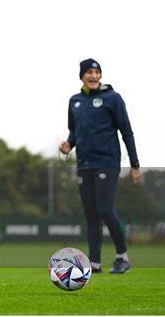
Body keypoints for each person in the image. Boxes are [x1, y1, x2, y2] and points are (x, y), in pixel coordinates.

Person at [59, 58, 141, 274]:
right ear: (82, 76)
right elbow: (75, 131)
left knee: (105, 209)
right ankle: (94, 263)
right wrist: (69, 145)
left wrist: (134, 164)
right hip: (84, 164)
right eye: (89, 72)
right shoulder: (74, 101)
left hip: (107, 162)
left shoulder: (112, 98)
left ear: (101, 75)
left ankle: (122, 257)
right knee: (91, 213)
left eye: (97, 72)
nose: (93, 76)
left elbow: (127, 131)